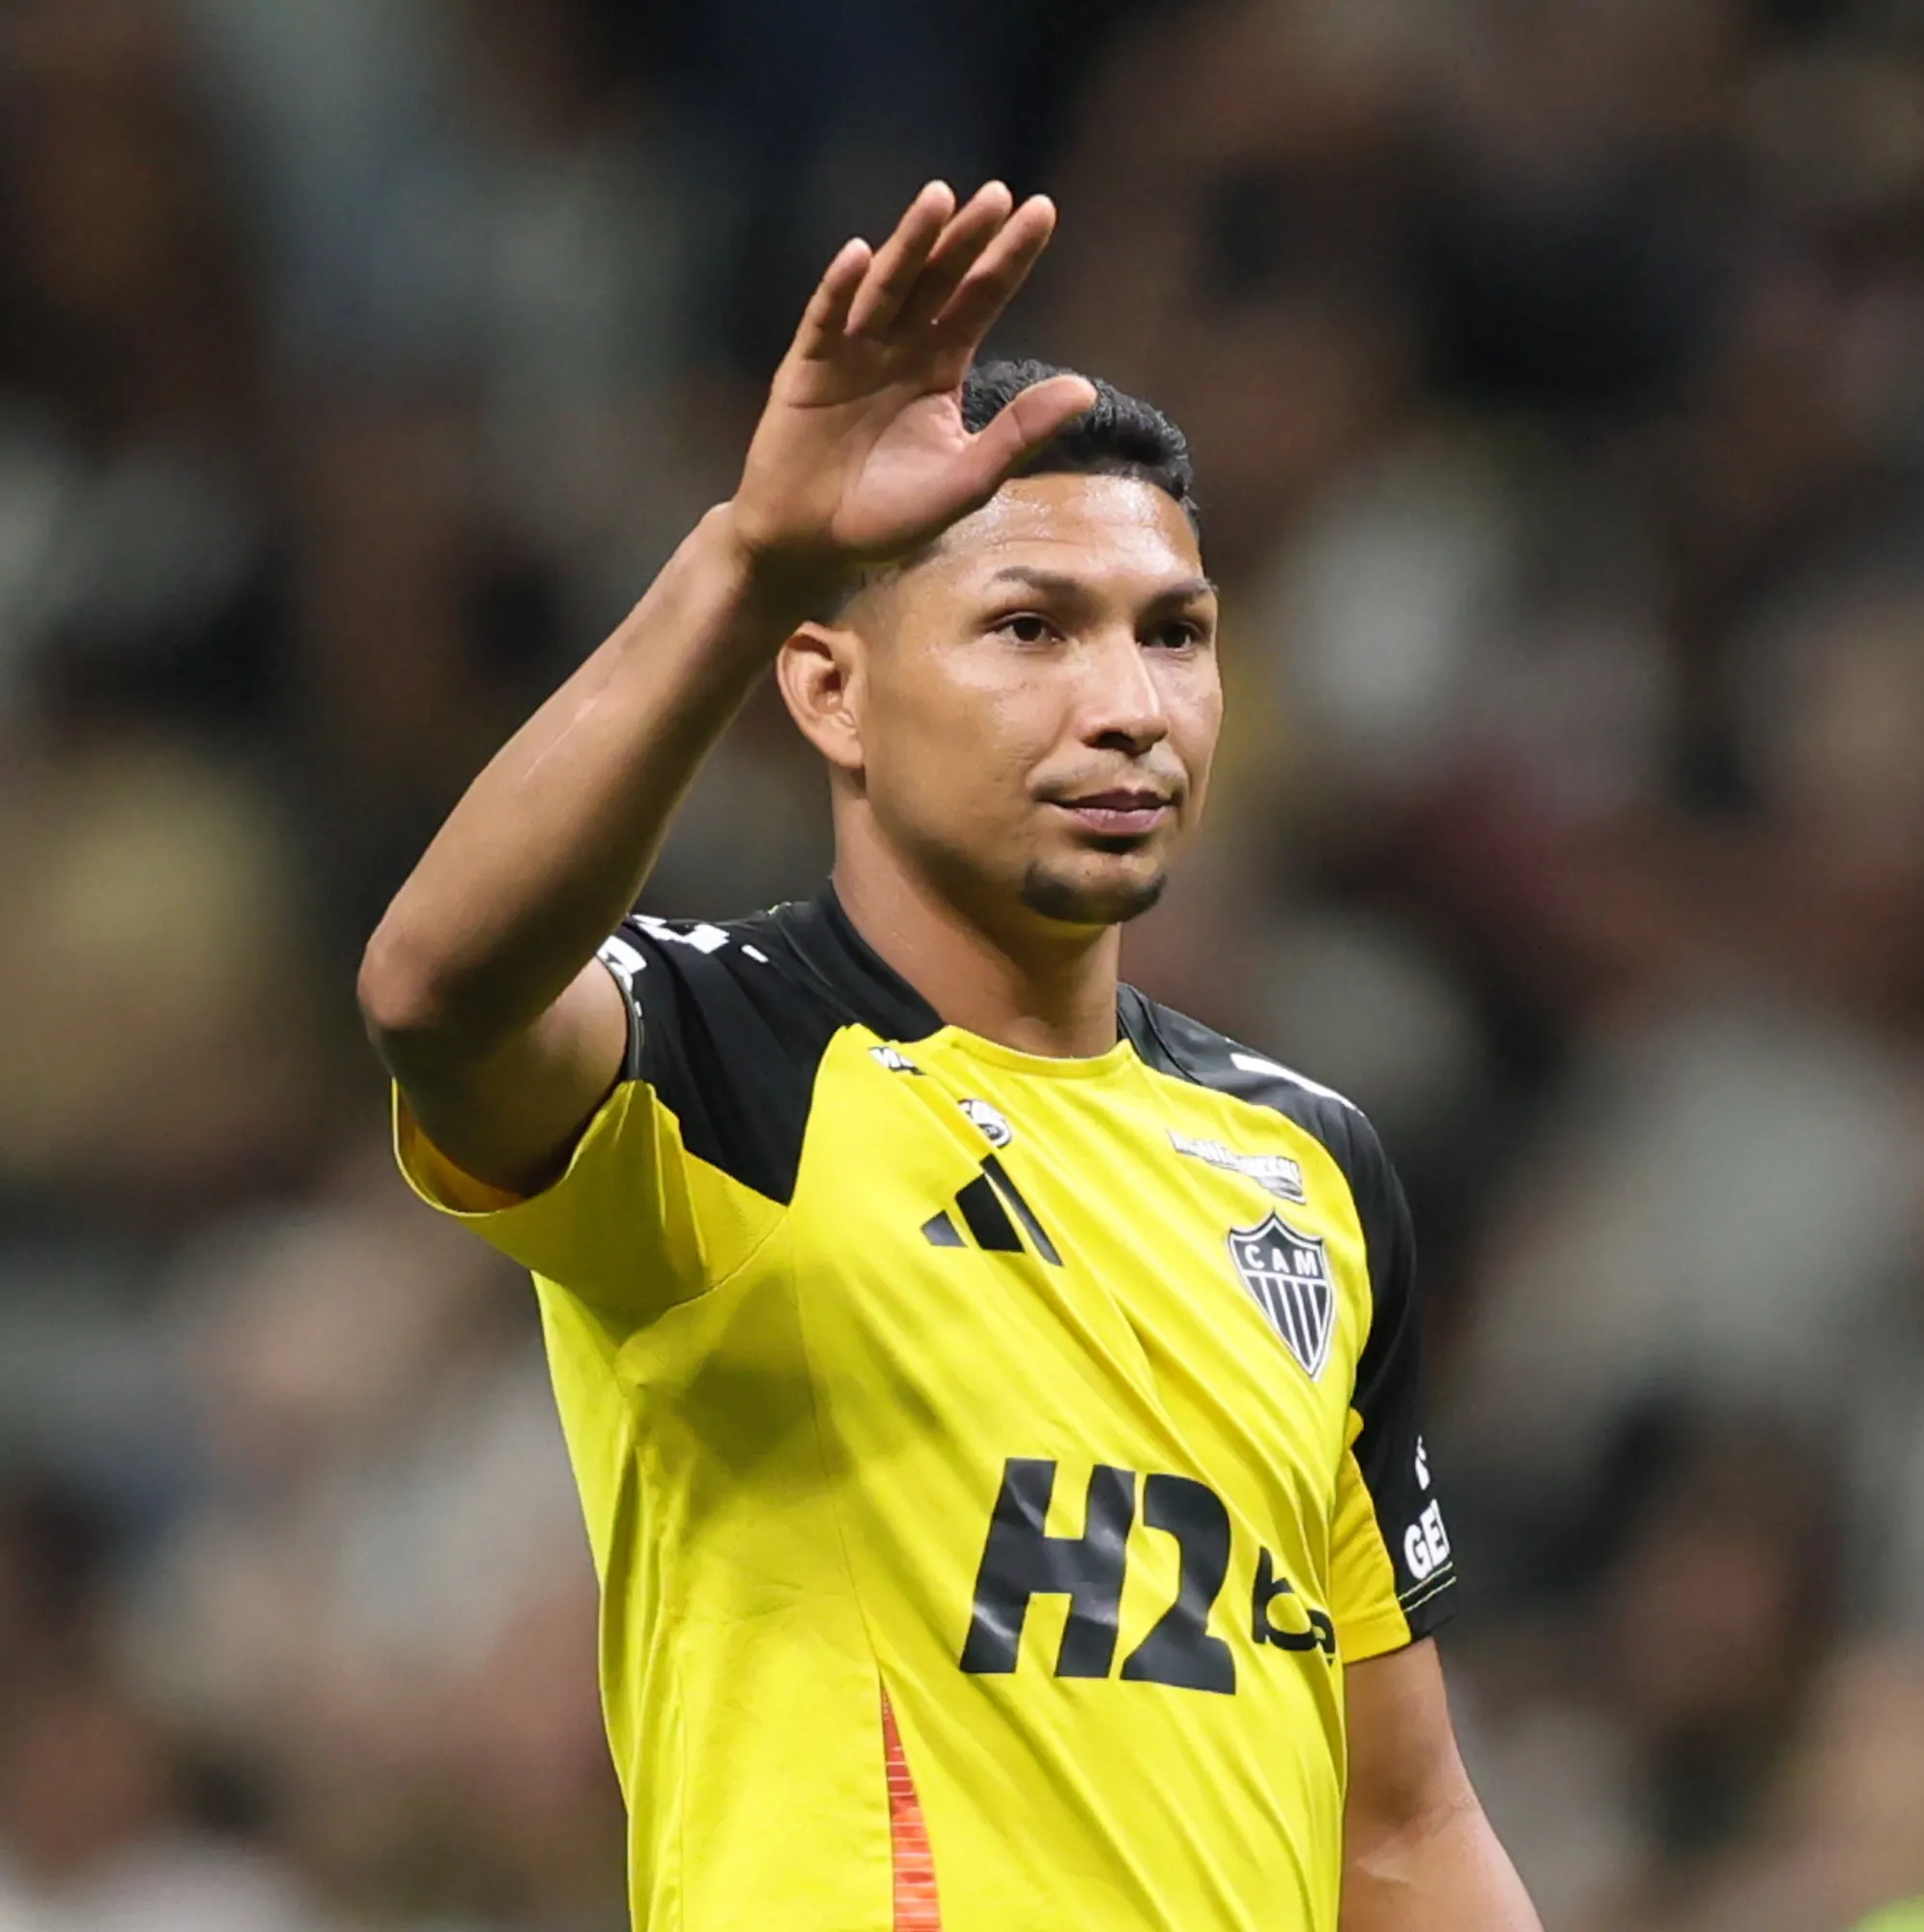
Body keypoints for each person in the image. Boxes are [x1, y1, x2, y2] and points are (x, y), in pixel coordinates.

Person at [357, 179, 1540, 1932]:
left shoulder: (1306, 1164)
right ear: (828, 690)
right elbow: (432, 994)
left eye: (1176, 633)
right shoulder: (729, 1061)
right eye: (1031, 627)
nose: (1128, 702)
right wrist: (752, 561)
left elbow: (1403, 1819)